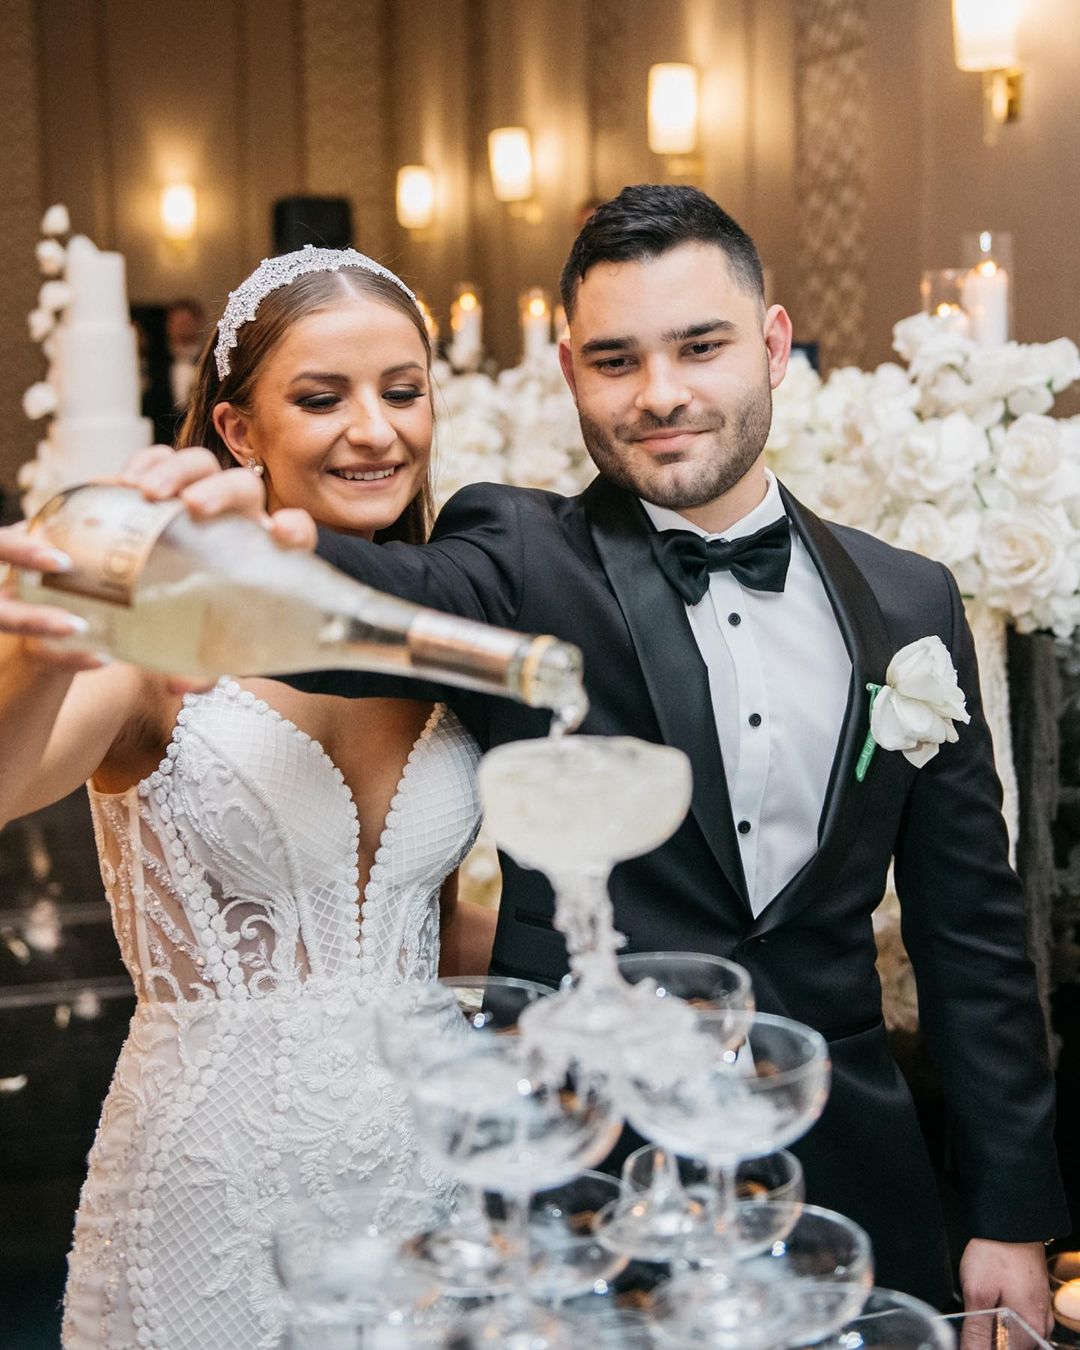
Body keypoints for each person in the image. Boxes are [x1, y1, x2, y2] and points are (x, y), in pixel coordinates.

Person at [82, 187, 1068, 1327]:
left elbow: (972, 933)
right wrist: (213, 543)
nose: (661, 393)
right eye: (615, 360)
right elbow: (353, 608)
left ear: (773, 345)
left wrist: (1011, 1212)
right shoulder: (518, 558)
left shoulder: (908, 602)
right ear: (568, 371)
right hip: (577, 1189)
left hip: (839, 1164)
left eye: (700, 347)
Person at [0, 246, 495, 1349]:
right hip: (216, 1192)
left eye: (402, 391)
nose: (375, 431)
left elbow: (410, 931)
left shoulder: (442, 632)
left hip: (425, 1179)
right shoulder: (162, 624)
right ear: (237, 428)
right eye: (321, 399)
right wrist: (38, 648)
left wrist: (651, 964)